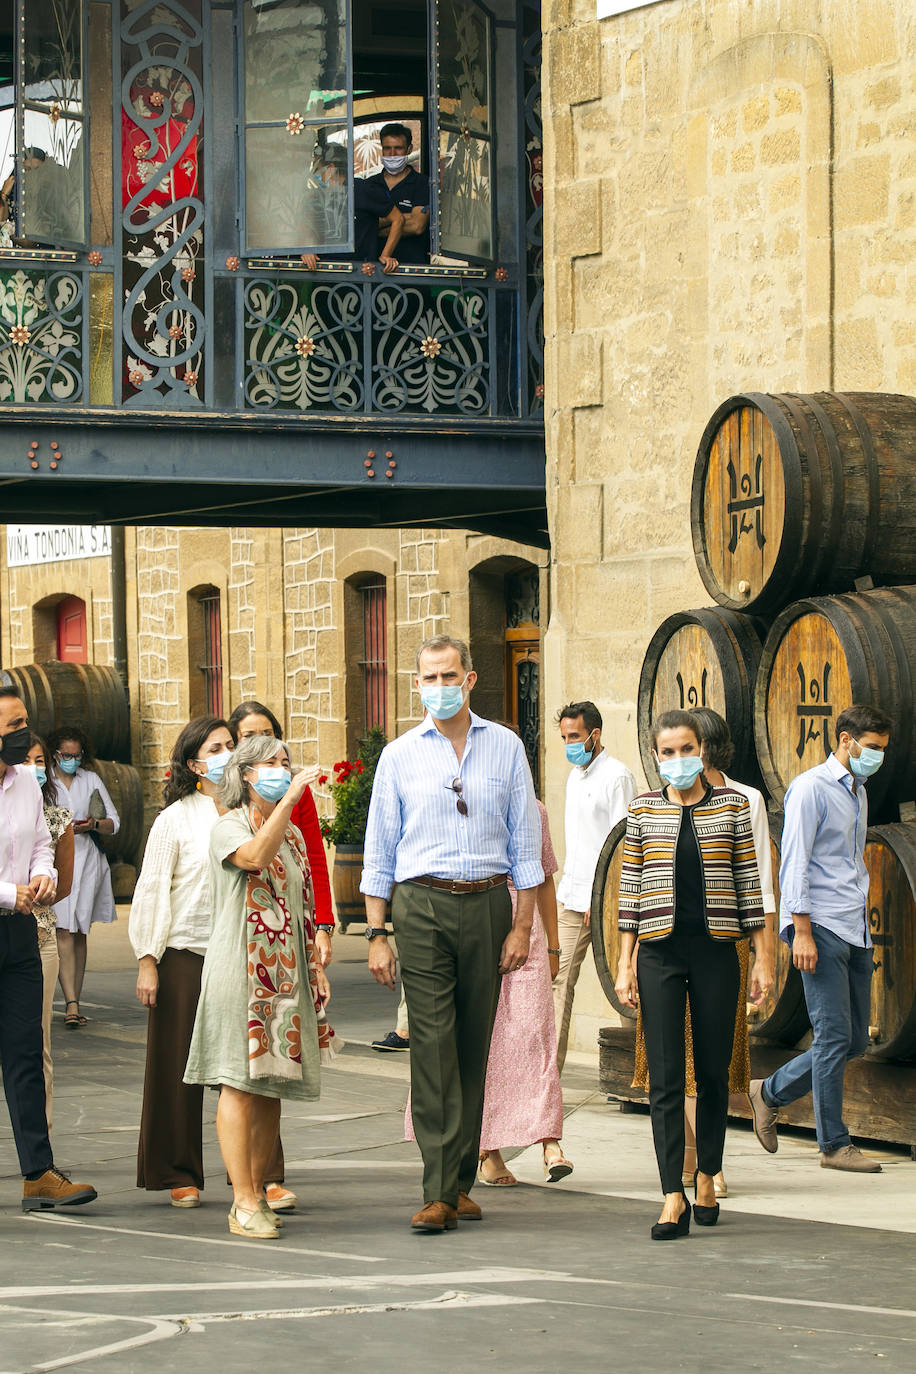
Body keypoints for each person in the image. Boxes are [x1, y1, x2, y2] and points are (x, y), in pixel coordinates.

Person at [362, 634, 543, 1232]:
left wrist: (522, 927)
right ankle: (439, 1190)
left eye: (448, 677)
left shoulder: (507, 747)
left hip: (488, 904)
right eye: (427, 679)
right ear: (417, 684)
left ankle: (460, 1179)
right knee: (434, 1045)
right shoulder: (399, 755)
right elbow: (379, 851)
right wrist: (377, 931)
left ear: (469, 680)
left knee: (472, 1048)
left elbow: (525, 846)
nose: (437, 688)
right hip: (420, 906)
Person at [615, 709, 772, 1240]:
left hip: (717, 951)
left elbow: (750, 886)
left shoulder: (732, 807)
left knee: (710, 1072)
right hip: (659, 950)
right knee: (664, 1078)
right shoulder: (642, 810)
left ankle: (707, 1174)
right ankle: (671, 1195)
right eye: (668, 752)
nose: (679, 760)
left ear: (701, 750)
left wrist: (760, 957)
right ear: (656, 756)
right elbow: (630, 891)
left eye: (687, 749)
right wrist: (624, 961)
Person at [184, 736, 328, 1240]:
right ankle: (241, 1199)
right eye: (271, 763)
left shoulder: (290, 836)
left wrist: (315, 966)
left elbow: (300, 906)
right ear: (246, 774)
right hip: (238, 974)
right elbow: (252, 859)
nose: (282, 770)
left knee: (271, 1089)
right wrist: (288, 801)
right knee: (237, 1084)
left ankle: (259, 1191)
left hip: (283, 976)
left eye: (286, 763)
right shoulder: (228, 825)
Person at [747, 704, 894, 1174]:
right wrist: (802, 931)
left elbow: (850, 860)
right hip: (821, 926)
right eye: (872, 748)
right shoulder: (811, 788)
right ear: (846, 740)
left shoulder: (858, 792)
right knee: (832, 1036)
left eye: (883, 750)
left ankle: (768, 1093)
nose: (878, 757)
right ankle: (833, 1144)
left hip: (854, 928)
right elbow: (795, 863)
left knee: (852, 1041)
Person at [131, 715, 264, 1208]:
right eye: (217, 746)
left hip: (242, 951)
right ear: (195, 762)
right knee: (175, 1067)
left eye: (232, 743)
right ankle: (177, 1170)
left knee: (254, 1064)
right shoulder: (175, 819)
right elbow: (151, 891)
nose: (229, 751)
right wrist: (148, 959)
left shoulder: (249, 812)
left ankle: (256, 1171)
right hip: (185, 953)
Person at [0, 686, 96, 1210]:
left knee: (24, 1057)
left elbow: (40, 841)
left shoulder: (23, 785)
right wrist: (8, 891)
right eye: (11, 727)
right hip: (7, 907)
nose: (21, 735)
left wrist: (41, 875)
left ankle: (38, 1172)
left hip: (16, 934)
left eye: (22, 723)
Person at [476, 798, 571, 1187]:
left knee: (536, 1038)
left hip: (527, 933)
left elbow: (545, 877)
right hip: (481, 926)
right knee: (489, 1044)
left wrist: (552, 944)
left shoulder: (536, 811)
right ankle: (489, 1151)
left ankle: (550, 1142)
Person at [554, 701, 636, 1070]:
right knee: (559, 982)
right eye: (564, 737)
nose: (569, 743)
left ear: (595, 735)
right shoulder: (574, 776)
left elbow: (624, 845)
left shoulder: (618, 776)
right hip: (572, 897)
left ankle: (638, 1073)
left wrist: (603, 899)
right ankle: (549, 1077)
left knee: (626, 985)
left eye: (575, 736)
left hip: (607, 903)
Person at [49, 727, 119, 1029]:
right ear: (55, 754)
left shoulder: (90, 780)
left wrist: (92, 824)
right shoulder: (45, 781)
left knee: (79, 931)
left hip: (87, 859)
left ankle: (73, 998)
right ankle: (72, 1003)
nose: (71, 761)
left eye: (76, 756)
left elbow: (113, 823)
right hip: (57, 860)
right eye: (66, 756)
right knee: (62, 929)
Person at [23, 733, 75, 1132]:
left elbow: (66, 885)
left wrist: (45, 887)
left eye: (40, 761)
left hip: (39, 936)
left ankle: (41, 1146)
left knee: (38, 1045)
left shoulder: (58, 819)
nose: (33, 768)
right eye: (25, 760)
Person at [362, 123, 430, 265]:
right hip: (374, 273)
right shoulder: (369, 185)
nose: (392, 154)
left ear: (409, 149)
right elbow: (361, 226)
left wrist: (376, 226)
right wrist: (399, 219)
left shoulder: (423, 183)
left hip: (411, 270)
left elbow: (417, 226)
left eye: (398, 148)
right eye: (387, 148)